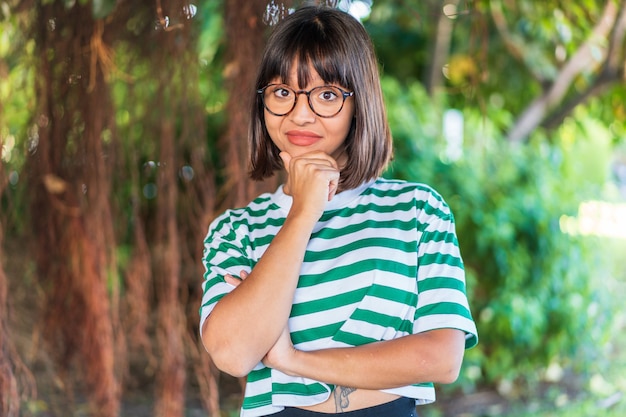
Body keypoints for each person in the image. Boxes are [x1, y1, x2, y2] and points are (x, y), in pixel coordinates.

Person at [200, 5, 478, 417]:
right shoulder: (235, 230)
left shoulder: (418, 210)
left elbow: (442, 356)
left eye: (327, 94)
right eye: (281, 92)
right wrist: (303, 213)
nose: (299, 112)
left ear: (358, 103)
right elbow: (233, 353)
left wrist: (292, 361)